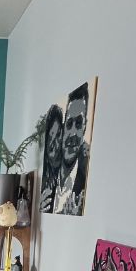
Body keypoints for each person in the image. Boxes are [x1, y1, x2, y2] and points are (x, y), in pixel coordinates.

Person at [54, 82, 90, 215]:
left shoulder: (84, 179)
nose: (73, 133)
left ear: (85, 127)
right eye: (69, 124)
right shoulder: (50, 175)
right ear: (63, 128)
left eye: (79, 123)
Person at [38, 103, 63, 213]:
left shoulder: (65, 175)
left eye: (58, 135)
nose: (54, 142)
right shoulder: (43, 179)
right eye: (50, 136)